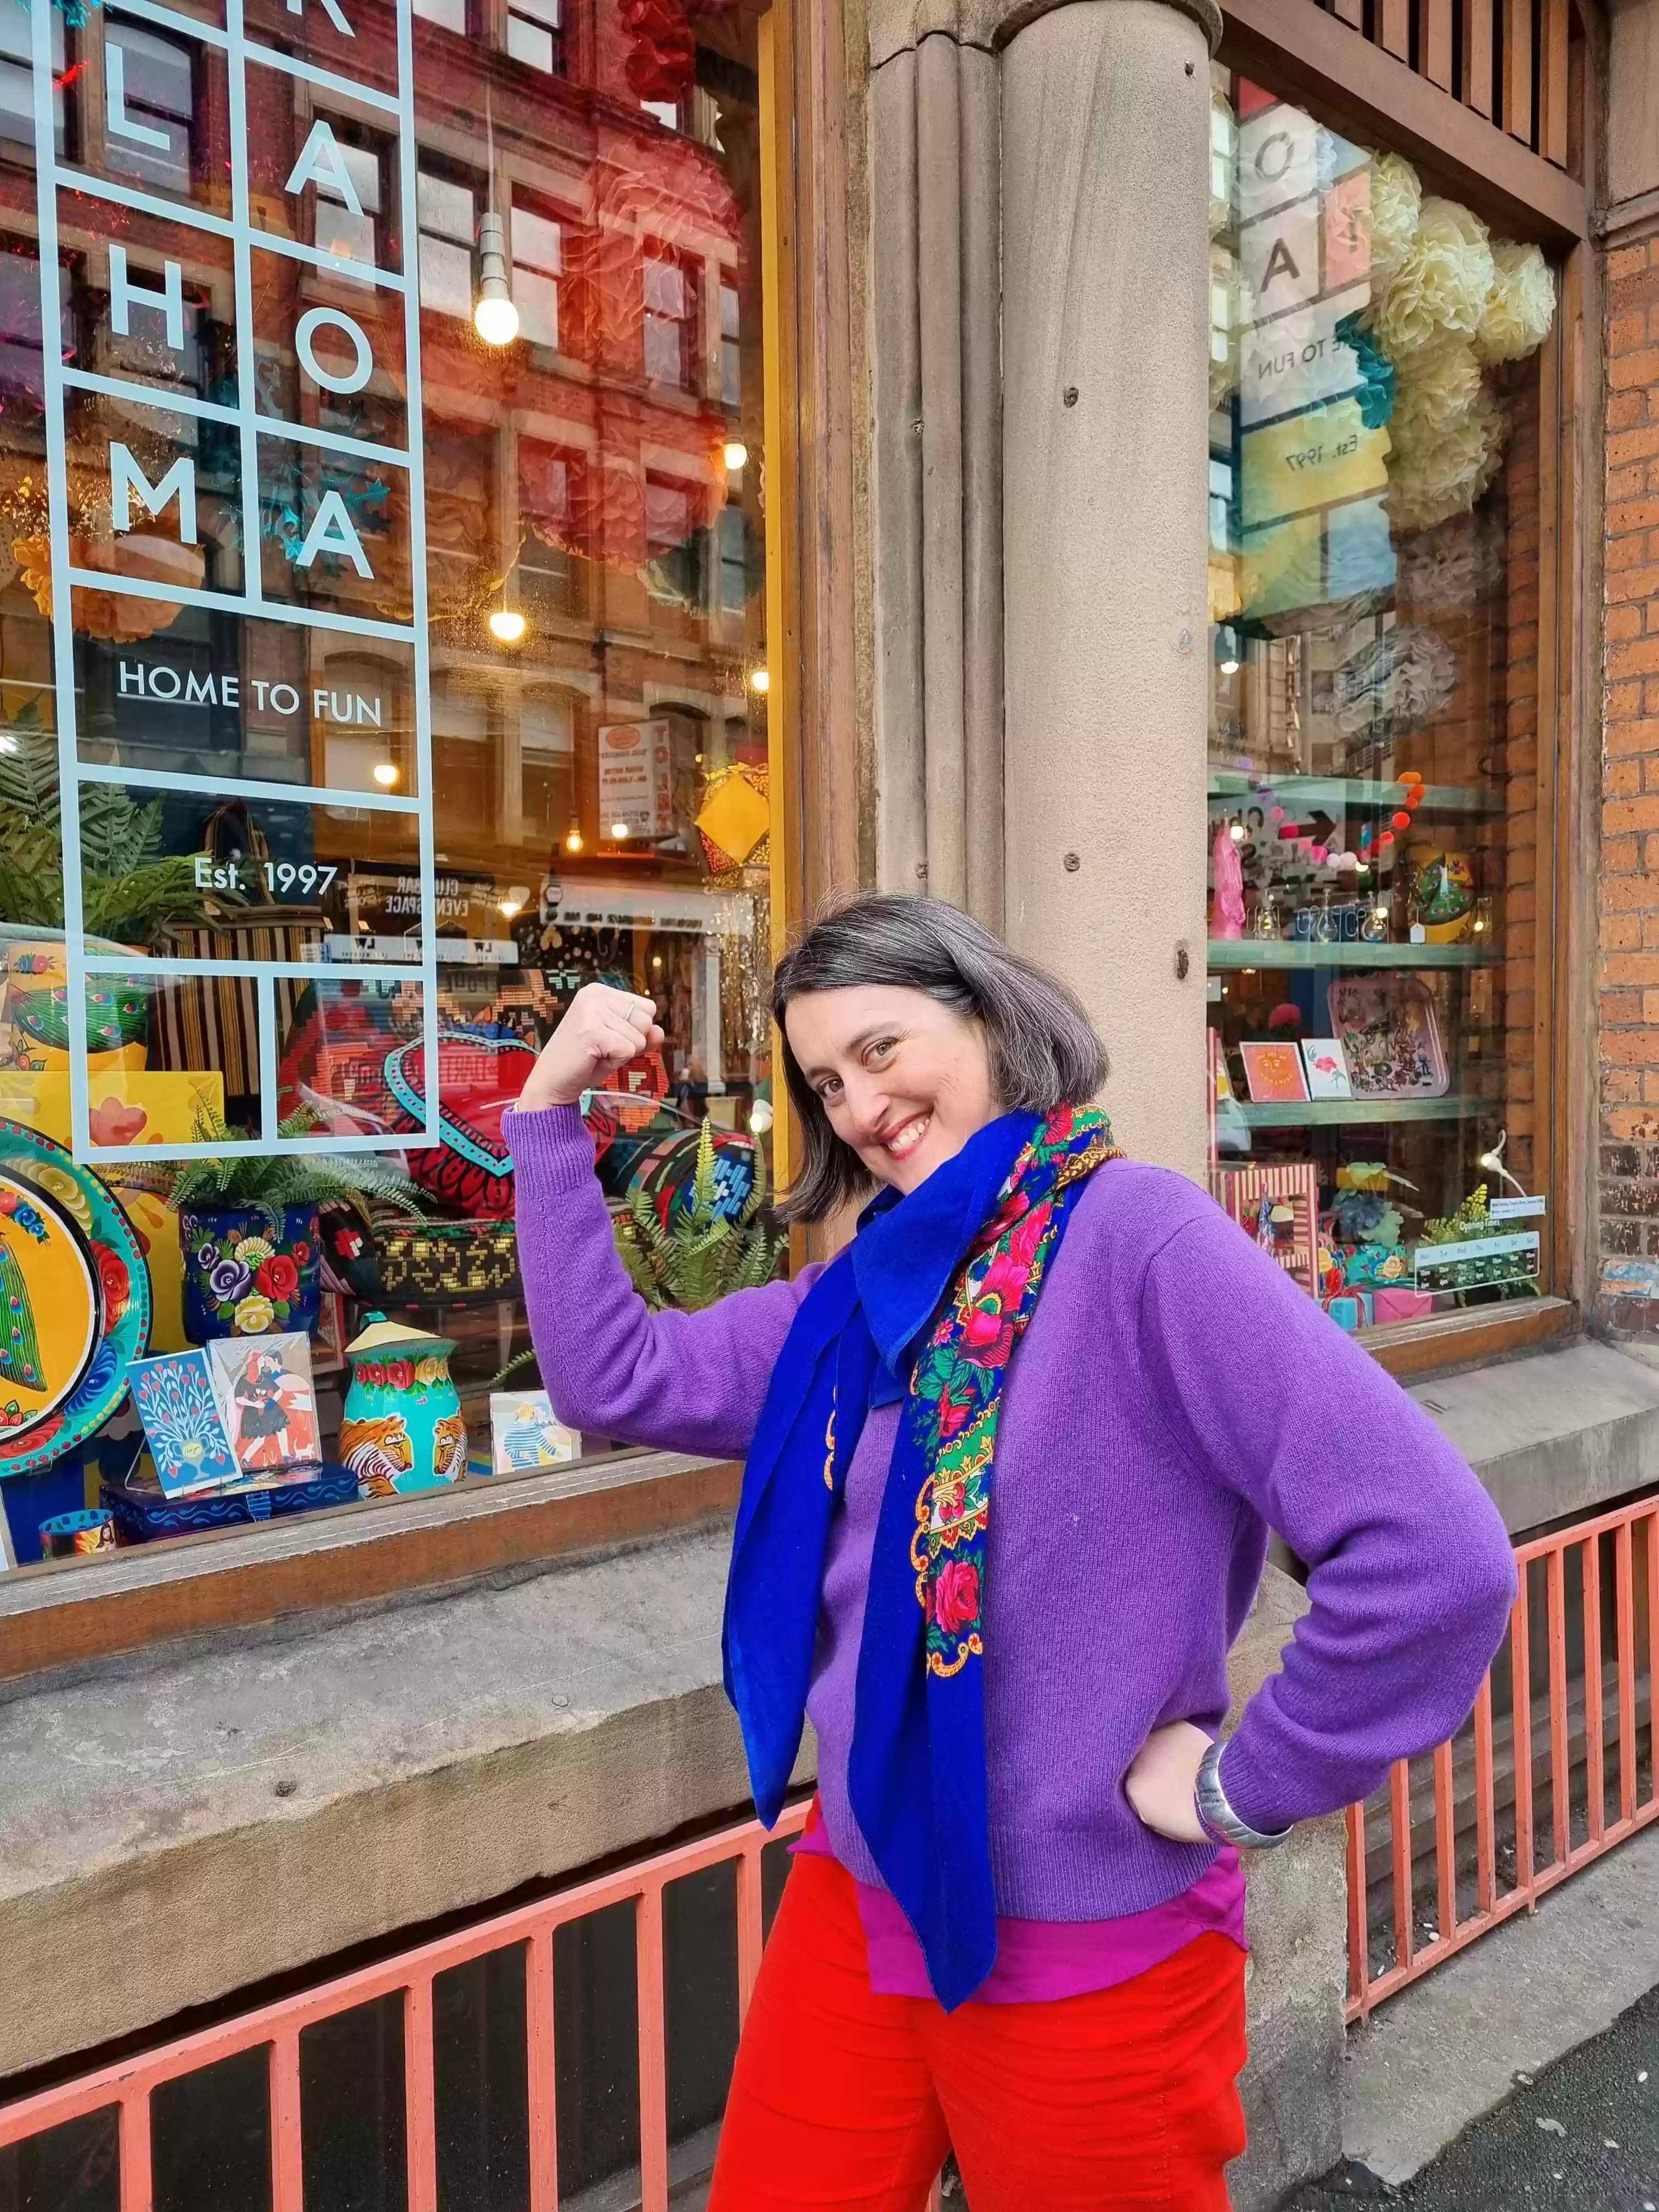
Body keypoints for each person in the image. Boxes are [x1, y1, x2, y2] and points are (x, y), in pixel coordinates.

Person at [504, 893, 1516, 2212]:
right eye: (824, 1082)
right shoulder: (855, 1301)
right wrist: (548, 1110)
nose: (861, 1107)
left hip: (1088, 1943)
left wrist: (1243, 1788)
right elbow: (612, 1375)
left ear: (989, 1018)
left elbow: (1435, 1555)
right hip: (861, 1895)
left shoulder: (1142, 1242)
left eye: (881, 1049)